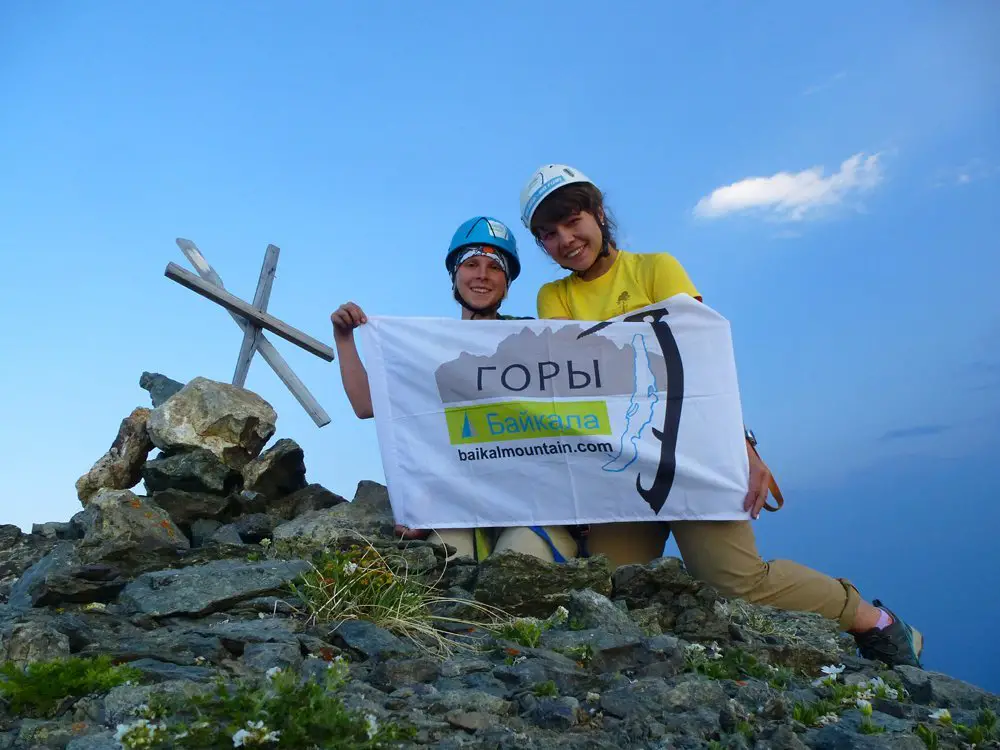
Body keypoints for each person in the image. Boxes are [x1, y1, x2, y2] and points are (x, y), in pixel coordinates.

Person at [517, 163, 924, 668]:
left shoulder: (655, 269)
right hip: (621, 466)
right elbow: (573, 383)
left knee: (738, 583)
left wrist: (745, 447)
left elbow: (700, 365)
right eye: (548, 235)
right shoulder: (553, 297)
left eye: (571, 221)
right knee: (608, 584)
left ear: (598, 213)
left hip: (693, 452)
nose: (565, 240)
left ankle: (875, 622)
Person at [330, 215, 578, 564]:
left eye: (495, 267)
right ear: (455, 275)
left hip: (532, 511)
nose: (481, 275)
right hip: (455, 508)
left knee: (518, 571)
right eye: (472, 264)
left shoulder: (535, 338)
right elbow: (366, 403)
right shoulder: (427, 351)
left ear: (507, 283)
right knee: (446, 580)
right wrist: (345, 338)